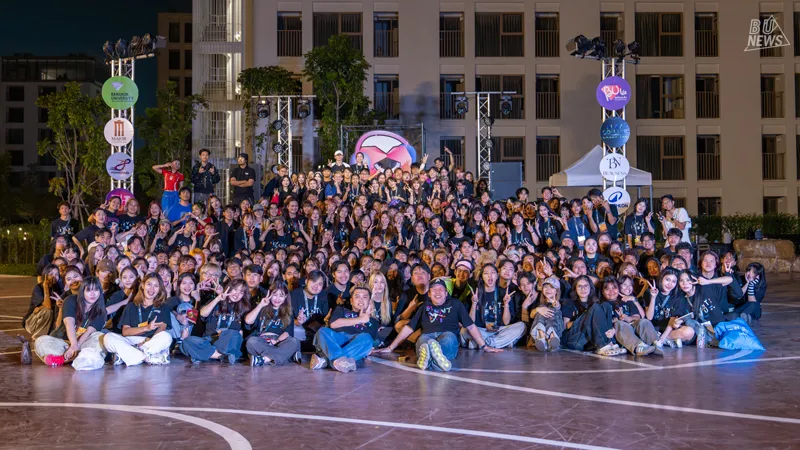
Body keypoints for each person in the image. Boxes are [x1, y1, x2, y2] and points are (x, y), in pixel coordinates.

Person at [375, 278, 502, 372]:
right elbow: (409, 328)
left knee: (448, 338)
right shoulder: (424, 306)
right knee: (423, 340)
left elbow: (471, 326)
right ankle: (435, 360)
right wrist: (391, 347)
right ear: (429, 294)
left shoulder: (455, 304)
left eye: (441, 289)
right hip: (427, 335)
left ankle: (429, 358)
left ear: (446, 293)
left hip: (448, 334)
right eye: (434, 289)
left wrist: (485, 346)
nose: (438, 292)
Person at [33, 277, 107, 370]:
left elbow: (89, 332)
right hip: (65, 344)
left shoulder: (101, 312)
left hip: (85, 344)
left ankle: (62, 359)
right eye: (88, 290)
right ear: (82, 291)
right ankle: (79, 359)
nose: (93, 293)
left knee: (99, 337)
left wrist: (76, 346)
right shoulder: (71, 300)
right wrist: (73, 345)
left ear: (100, 292)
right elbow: (69, 323)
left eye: (96, 290)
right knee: (40, 341)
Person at [103, 273, 173, 366]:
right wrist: (146, 328)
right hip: (131, 341)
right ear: (143, 285)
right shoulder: (131, 306)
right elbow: (125, 332)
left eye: (156, 286)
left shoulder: (163, 307)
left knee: (166, 337)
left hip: (151, 341)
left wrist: (147, 341)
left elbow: (162, 328)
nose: (152, 289)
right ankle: (147, 357)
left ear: (159, 289)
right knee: (108, 338)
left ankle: (129, 355)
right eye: (149, 284)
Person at [311, 285, 379, 372]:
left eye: (365, 297)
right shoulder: (341, 310)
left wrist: (366, 319)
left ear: (369, 302)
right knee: (322, 331)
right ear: (351, 301)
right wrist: (360, 319)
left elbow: (368, 347)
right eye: (357, 296)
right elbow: (333, 324)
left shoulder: (373, 322)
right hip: (335, 341)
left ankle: (326, 361)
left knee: (367, 339)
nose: (361, 300)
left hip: (354, 345)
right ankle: (339, 361)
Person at [181, 279, 250, 363]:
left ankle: (204, 354)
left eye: (241, 292)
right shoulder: (216, 301)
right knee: (187, 341)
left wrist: (224, 333)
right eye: (235, 289)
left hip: (227, 342)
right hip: (210, 340)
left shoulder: (244, 309)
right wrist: (218, 299)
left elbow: (241, 332)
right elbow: (203, 314)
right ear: (229, 288)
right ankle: (221, 356)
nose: (237, 294)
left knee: (234, 334)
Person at [462, 264, 526, 349]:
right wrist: (474, 304)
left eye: (492, 273)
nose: (490, 276)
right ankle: (501, 343)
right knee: (464, 330)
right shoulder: (475, 294)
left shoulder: (504, 293)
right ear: (482, 277)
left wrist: (506, 304)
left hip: (499, 330)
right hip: (480, 330)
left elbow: (506, 322)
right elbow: (471, 322)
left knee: (522, 326)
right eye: (486, 273)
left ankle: (482, 343)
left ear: (497, 276)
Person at [245, 281, 300, 366]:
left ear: (285, 297)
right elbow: (248, 321)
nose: (277, 299)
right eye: (275, 294)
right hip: (262, 340)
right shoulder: (262, 307)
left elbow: (288, 332)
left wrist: (276, 341)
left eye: (281, 295)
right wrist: (260, 305)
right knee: (251, 342)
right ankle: (285, 356)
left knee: (294, 341)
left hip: (279, 341)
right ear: (269, 294)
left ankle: (264, 359)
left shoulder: (288, 312)